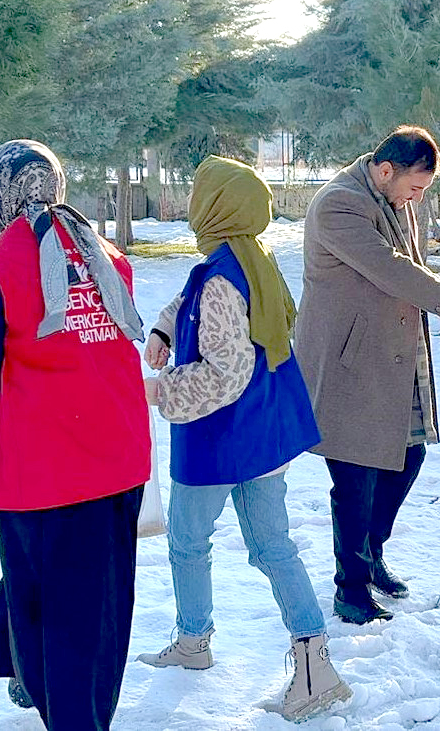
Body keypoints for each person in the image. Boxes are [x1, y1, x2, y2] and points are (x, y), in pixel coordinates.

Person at [0, 140, 150, 730]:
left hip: (42, 469)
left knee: (46, 604)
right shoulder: (106, 253)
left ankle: (64, 710)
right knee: (98, 606)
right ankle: (49, 690)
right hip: (117, 458)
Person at [135, 155, 352, 722]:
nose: (191, 206)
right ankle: (314, 661)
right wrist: (164, 327)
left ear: (215, 208)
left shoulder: (218, 278)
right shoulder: (252, 259)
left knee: (188, 541)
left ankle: (194, 640)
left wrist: (161, 392)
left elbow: (224, 372)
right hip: (265, 431)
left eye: (199, 196)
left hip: (220, 438)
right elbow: (198, 307)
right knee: (272, 546)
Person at [295, 125, 440, 625]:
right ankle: (351, 589)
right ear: (386, 170)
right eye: (415, 186)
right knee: (354, 477)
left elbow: (409, 268)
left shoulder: (389, 196)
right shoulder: (338, 204)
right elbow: (388, 268)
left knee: (408, 457)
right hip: (348, 362)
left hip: (388, 356)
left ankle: (371, 555)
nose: (418, 197)